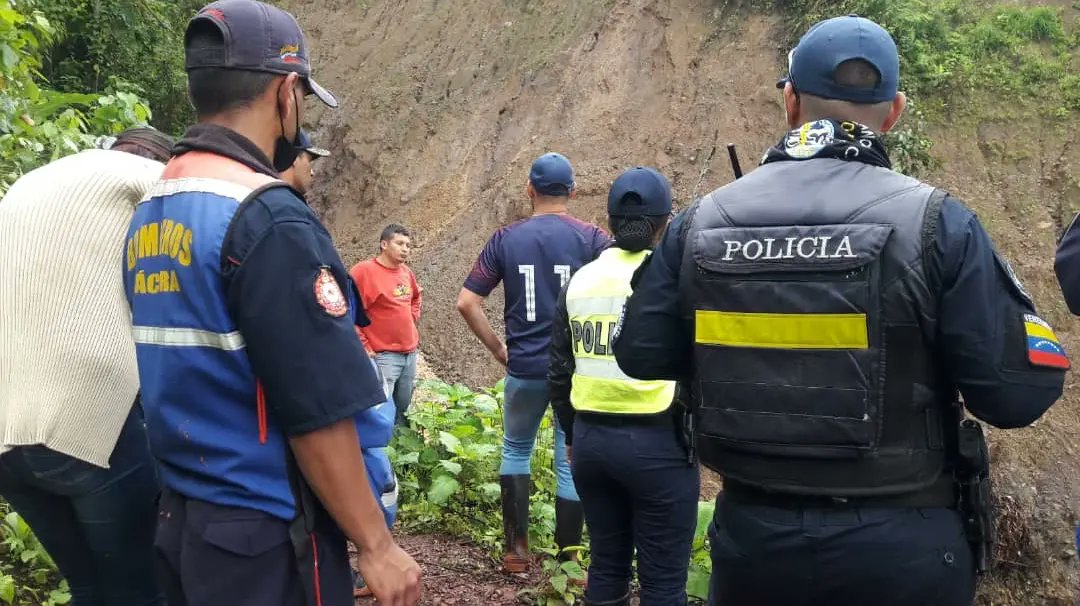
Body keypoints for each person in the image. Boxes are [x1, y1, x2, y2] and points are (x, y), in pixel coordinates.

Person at [613, 15, 1067, 606]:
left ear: (790, 101)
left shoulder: (701, 222)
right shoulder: (936, 223)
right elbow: (1015, 396)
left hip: (756, 544)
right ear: (895, 110)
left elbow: (641, 354)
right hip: (904, 549)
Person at [123, 2, 420, 605]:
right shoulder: (266, 218)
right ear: (287, 93)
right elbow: (317, 405)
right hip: (266, 533)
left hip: (183, 515)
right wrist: (377, 545)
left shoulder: (157, 204)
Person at [0, 127, 175, 606]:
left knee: (88, 586)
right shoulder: (154, 178)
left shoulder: (32, 183)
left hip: (6, 430)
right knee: (140, 588)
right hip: (88, 415)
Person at [549, 167, 698, 606]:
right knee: (664, 583)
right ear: (665, 222)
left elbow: (560, 370)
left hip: (592, 444)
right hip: (659, 446)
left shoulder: (581, 281)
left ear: (608, 221)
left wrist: (574, 436)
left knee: (607, 566)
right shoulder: (672, 279)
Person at [457, 152, 610, 572]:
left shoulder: (505, 238)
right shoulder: (594, 239)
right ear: (573, 191)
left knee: (516, 448)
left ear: (529, 190)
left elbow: (467, 302)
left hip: (523, 367)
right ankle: (569, 563)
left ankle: (516, 551)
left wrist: (498, 349)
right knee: (568, 461)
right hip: (574, 373)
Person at [350, 224, 423, 425]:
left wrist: (412, 316)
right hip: (383, 355)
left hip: (409, 353)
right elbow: (349, 310)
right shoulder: (364, 272)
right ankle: (381, 451)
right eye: (399, 243)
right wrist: (364, 345)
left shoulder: (406, 272)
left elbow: (416, 297)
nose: (405, 249)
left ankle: (402, 451)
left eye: (408, 245)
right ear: (384, 244)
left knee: (403, 406)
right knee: (381, 410)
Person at [280, 128, 329, 195]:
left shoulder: (266, 194)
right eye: (309, 161)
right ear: (295, 159)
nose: (312, 173)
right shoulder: (284, 202)